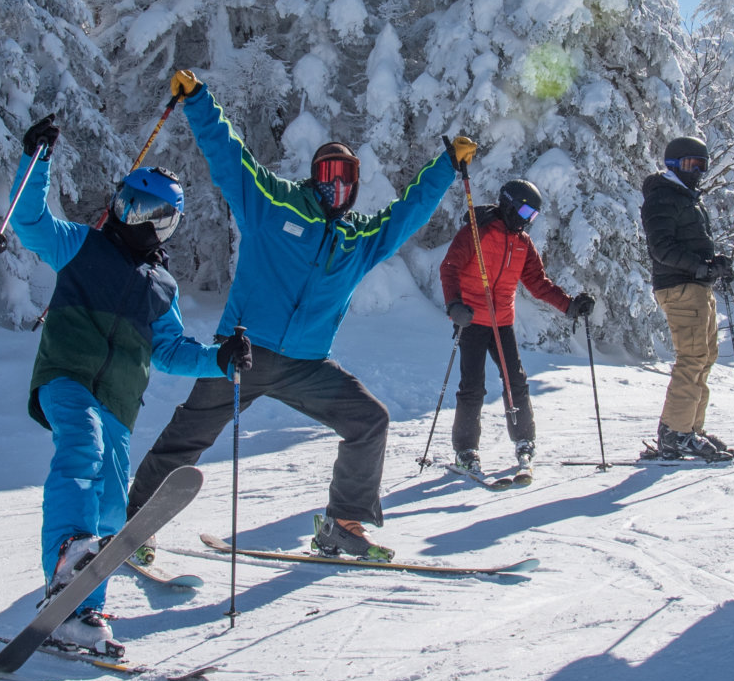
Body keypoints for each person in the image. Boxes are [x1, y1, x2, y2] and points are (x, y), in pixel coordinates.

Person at [128, 70, 464, 560]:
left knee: (369, 420)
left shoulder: (358, 241)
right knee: (187, 436)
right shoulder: (272, 203)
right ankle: (136, 520)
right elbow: (229, 155)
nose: (336, 187)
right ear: (314, 177)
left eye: (346, 178)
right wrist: (198, 99)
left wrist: (447, 165)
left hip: (307, 364)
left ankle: (344, 524)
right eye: (328, 175)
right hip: (241, 354)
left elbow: (408, 211)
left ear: (353, 187)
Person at [3, 115, 245, 659]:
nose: (135, 221)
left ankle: (83, 610)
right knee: (80, 450)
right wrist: (35, 160)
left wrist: (220, 359)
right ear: (116, 203)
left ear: (168, 228)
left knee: (112, 507)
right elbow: (30, 221)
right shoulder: (82, 247)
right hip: (65, 379)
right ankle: (63, 580)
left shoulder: (161, 287)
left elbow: (171, 351)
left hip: (117, 404)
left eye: (154, 217)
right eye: (130, 205)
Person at [439, 176, 593, 482]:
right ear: (508, 205)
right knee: (473, 387)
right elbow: (450, 267)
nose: (526, 223)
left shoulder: (522, 244)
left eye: (532, 218)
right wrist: (454, 305)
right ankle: (466, 450)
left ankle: (524, 440)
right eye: (524, 214)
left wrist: (569, 305)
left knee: (516, 382)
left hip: (502, 321)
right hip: (471, 320)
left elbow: (538, 283)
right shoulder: (477, 232)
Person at [639, 135, 734, 460]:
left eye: (701, 165)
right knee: (693, 357)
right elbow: (662, 248)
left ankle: (690, 429)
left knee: (706, 357)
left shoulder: (686, 198)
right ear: (672, 164)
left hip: (697, 286)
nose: (696, 171)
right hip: (679, 287)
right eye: (689, 164)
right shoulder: (662, 198)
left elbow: (691, 246)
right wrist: (700, 267)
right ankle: (676, 433)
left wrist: (714, 265)